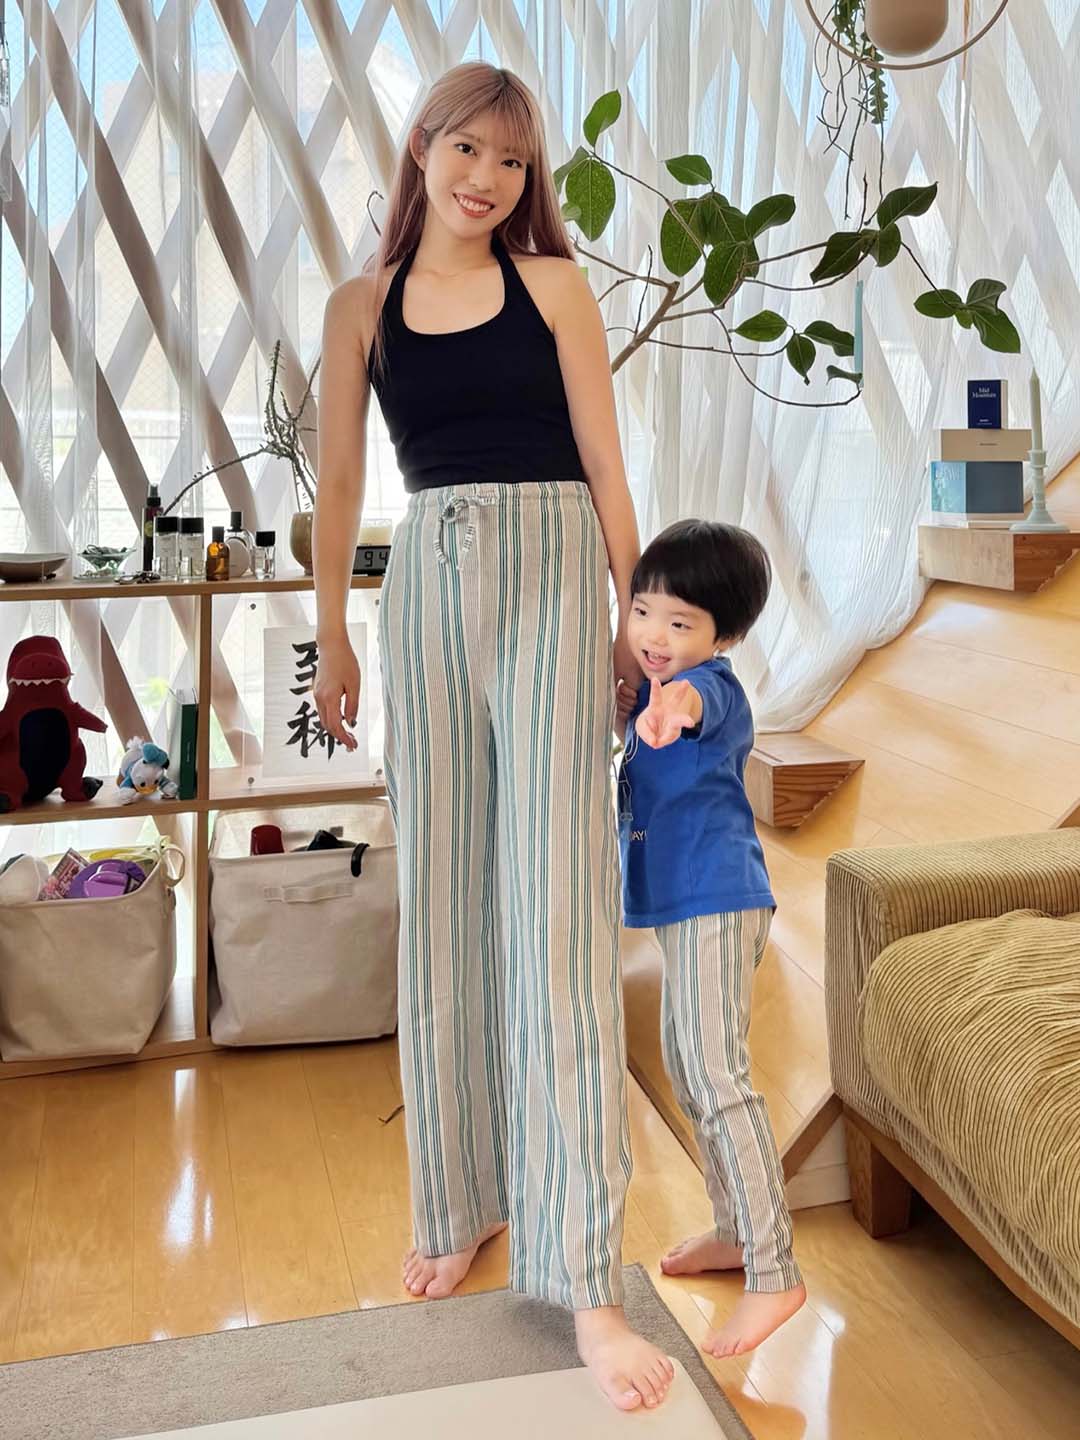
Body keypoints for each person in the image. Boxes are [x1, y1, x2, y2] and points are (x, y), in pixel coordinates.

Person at [311, 62, 674, 1412]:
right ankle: (462, 1197)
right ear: (421, 149)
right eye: (468, 149)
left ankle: (586, 1278)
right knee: (447, 907)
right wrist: (333, 632)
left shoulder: (556, 289)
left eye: (513, 161)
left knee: (558, 919)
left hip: (550, 575)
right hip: (423, 587)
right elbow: (340, 478)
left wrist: (636, 622)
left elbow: (607, 464)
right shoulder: (360, 308)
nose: (487, 178)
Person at [615, 519, 807, 1357]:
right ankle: (735, 1233)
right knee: (693, 1074)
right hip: (687, 905)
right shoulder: (651, 689)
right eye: (643, 612)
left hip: (718, 899)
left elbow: (695, 709)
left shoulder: (710, 690)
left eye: (680, 622)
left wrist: (671, 710)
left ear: (723, 637)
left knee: (717, 1078)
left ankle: (775, 1271)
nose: (655, 635)